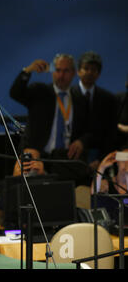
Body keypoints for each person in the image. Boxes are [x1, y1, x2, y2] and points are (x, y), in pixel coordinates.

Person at [9, 54, 91, 185]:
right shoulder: (40, 91)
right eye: (58, 70)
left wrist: (81, 141)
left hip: (66, 159)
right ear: (53, 71)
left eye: (66, 71)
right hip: (37, 154)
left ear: (74, 73)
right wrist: (27, 71)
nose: (61, 75)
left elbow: (89, 129)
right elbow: (15, 93)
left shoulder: (80, 99)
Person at [71, 51, 118, 170]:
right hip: (72, 156)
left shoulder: (108, 99)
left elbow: (110, 133)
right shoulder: (68, 95)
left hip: (100, 158)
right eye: (86, 68)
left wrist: (102, 160)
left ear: (99, 74)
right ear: (78, 71)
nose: (89, 72)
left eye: (93, 70)